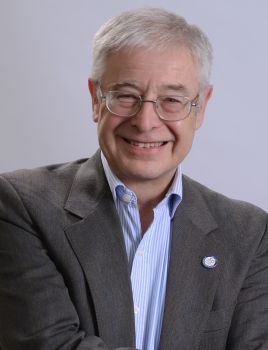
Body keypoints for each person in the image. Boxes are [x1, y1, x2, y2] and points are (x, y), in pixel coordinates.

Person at [0, 7, 267, 350]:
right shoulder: (21, 205)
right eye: (126, 96)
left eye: (172, 100)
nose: (145, 122)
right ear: (96, 99)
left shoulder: (249, 233)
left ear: (200, 107)